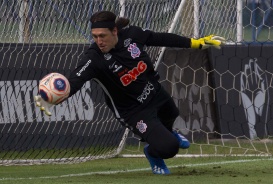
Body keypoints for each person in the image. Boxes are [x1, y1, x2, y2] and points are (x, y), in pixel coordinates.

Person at [35, 11, 225, 175]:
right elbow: (74, 82)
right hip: (133, 112)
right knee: (169, 148)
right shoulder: (94, 59)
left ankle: (167, 133)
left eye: (103, 35)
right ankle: (153, 153)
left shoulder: (132, 36)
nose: (99, 41)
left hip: (154, 93)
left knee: (172, 114)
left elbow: (161, 38)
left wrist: (195, 43)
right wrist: (52, 98)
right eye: (94, 36)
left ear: (115, 31)